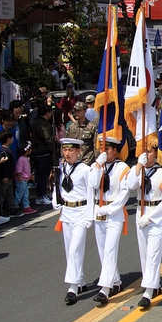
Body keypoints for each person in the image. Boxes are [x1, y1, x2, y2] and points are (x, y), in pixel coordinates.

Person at [127, 144, 162, 309]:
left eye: (150, 151)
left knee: (153, 253)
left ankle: (148, 291)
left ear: (156, 153)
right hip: (140, 211)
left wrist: (151, 218)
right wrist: (138, 165)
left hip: (155, 215)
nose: (146, 154)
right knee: (144, 254)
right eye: (143, 151)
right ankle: (154, 284)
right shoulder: (138, 171)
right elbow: (131, 186)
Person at [51, 138, 94, 305]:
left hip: (81, 212)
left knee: (75, 249)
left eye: (71, 150)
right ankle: (81, 280)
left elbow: (91, 193)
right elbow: (57, 186)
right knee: (69, 249)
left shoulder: (85, 169)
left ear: (78, 151)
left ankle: (72, 288)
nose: (67, 153)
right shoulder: (60, 168)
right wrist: (55, 199)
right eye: (65, 150)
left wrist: (89, 216)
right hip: (67, 212)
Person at [89, 136, 131, 304]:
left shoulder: (122, 168)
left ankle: (105, 289)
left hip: (114, 213)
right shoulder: (96, 166)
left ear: (115, 150)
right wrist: (98, 166)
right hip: (99, 211)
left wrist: (109, 208)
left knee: (110, 249)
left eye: (107, 149)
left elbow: (124, 193)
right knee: (102, 250)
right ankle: (115, 281)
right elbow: (92, 184)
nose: (104, 152)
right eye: (101, 148)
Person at [31, 104, 57, 206]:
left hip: (37, 152)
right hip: (43, 153)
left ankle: (42, 194)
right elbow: (48, 139)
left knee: (41, 176)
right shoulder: (45, 125)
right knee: (43, 176)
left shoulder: (36, 123)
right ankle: (41, 196)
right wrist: (53, 149)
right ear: (48, 113)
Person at [0, 129, 21, 218]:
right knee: (2, 195)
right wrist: (5, 175)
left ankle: (11, 208)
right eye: (11, 137)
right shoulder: (4, 151)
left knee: (10, 194)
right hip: (6, 176)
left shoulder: (7, 150)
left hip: (10, 176)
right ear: (8, 139)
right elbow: (3, 165)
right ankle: (0, 211)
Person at [13, 141, 36, 215]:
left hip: (25, 179)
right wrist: (19, 176)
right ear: (27, 150)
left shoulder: (26, 158)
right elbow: (19, 169)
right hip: (21, 180)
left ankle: (26, 206)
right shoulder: (21, 159)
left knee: (25, 193)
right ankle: (14, 206)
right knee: (19, 193)